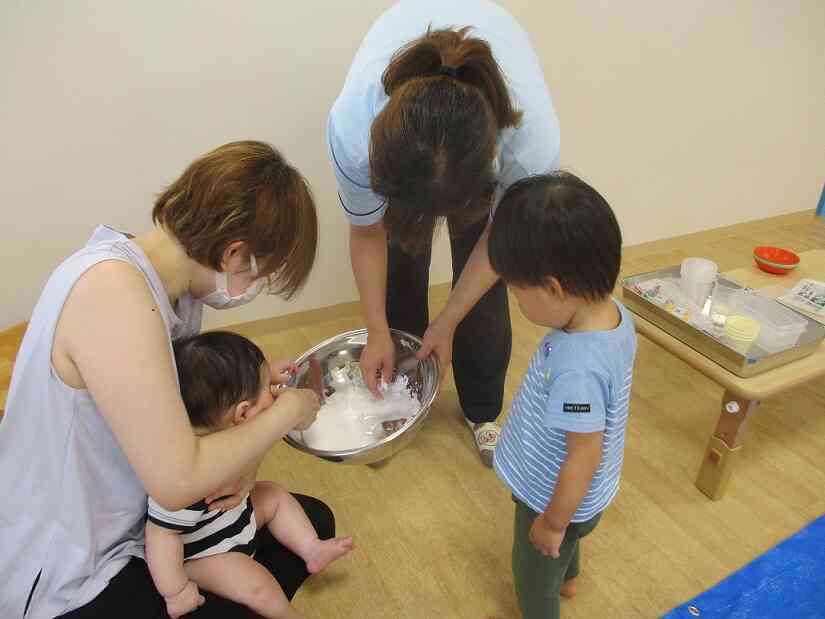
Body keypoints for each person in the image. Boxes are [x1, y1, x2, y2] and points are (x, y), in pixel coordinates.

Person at [0, 141, 333, 618]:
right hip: (67, 558)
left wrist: (254, 407)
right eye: (262, 275)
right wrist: (285, 414)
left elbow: (181, 411)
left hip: (137, 508)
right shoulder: (114, 294)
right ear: (234, 253)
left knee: (309, 522)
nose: (255, 288)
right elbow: (178, 481)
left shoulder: (173, 289)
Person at [327, 0, 561, 466]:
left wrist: (448, 321)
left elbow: (497, 244)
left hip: (479, 146)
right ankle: (397, 393)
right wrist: (376, 330)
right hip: (411, 149)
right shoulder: (354, 130)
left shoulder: (532, 144)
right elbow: (367, 233)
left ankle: (483, 411)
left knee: (482, 291)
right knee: (400, 268)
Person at [488, 172, 637, 619]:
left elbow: (582, 455)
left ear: (554, 288)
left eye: (517, 291)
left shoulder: (577, 371)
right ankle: (570, 578)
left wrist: (552, 521)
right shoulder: (615, 314)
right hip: (588, 495)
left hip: (551, 494)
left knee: (533, 571)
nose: (516, 301)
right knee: (567, 547)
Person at [146, 331, 354, 619]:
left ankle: (312, 549)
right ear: (242, 414)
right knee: (259, 585)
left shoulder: (224, 429)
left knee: (275, 495)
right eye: (267, 390)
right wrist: (176, 590)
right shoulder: (188, 471)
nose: (274, 394)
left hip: (234, 517)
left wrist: (265, 379)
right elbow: (160, 534)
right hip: (208, 554)